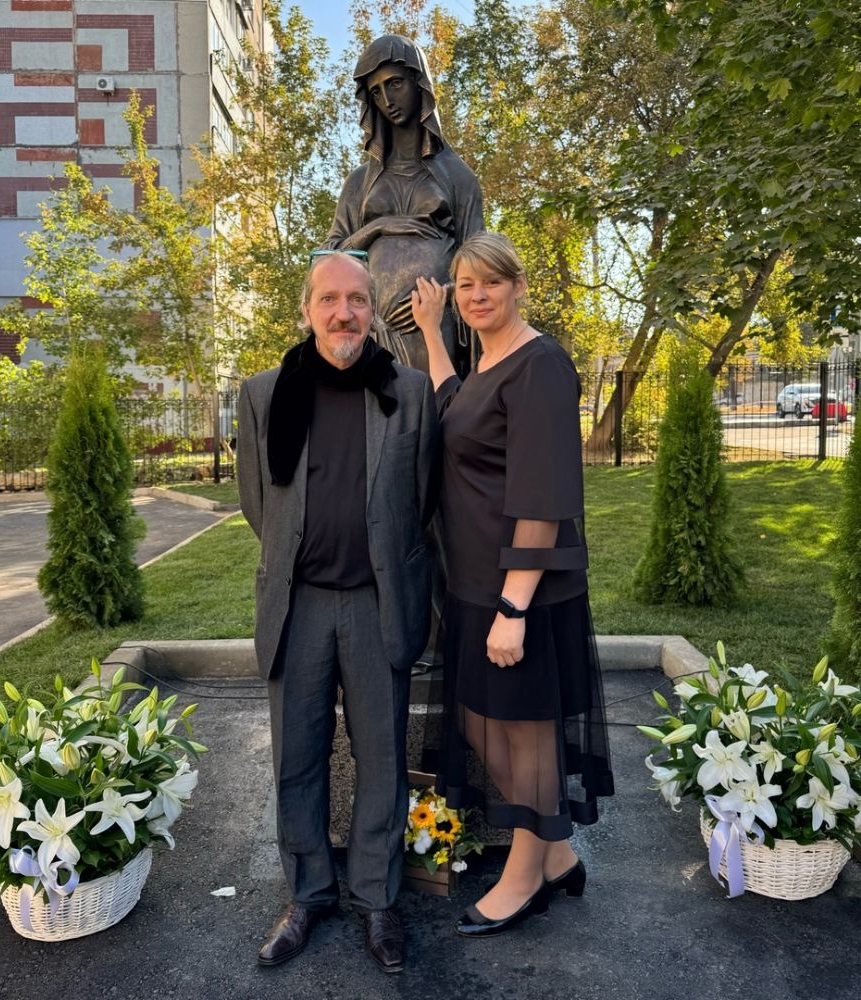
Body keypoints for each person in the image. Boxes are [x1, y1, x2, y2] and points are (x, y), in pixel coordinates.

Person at [237, 250, 438, 972]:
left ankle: (377, 898)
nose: (343, 313)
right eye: (329, 299)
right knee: (297, 757)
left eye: (357, 299)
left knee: (381, 759)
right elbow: (258, 504)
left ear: (372, 311)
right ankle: (308, 894)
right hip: (299, 607)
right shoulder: (264, 394)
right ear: (307, 310)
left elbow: (422, 499)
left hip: (379, 606)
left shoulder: (408, 392)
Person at [410, 231, 615, 937]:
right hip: (473, 584)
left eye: (490, 283)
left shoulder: (540, 364)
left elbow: (543, 496)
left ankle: (525, 876)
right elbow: (451, 406)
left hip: (522, 592)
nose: (477, 296)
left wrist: (513, 607)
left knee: (526, 733)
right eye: (465, 285)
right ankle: (556, 854)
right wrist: (430, 332)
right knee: (478, 721)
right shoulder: (486, 362)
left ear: (518, 286)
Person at [325, 34, 484, 377]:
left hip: (434, 325)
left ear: (418, 81)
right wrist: (378, 227)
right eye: (376, 92)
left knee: (432, 403)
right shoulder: (358, 183)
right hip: (370, 326)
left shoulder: (457, 177)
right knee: (372, 406)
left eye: (395, 83)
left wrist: (439, 297)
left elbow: (481, 264)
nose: (387, 100)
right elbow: (329, 257)